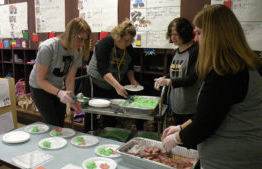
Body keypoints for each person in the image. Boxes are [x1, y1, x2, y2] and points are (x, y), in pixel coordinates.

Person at [161, 4, 262, 169]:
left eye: (199, 33)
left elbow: (204, 123)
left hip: (233, 159)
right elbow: (211, 111)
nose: (196, 39)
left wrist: (177, 138)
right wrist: (181, 127)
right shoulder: (245, 63)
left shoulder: (227, 72)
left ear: (214, 35)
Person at [29, 18, 91, 127]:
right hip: (40, 88)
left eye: (85, 40)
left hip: (58, 86)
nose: (82, 44)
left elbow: (70, 78)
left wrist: (72, 100)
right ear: (71, 34)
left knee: (60, 122)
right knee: (52, 123)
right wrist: (60, 93)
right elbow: (40, 80)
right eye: (80, 39)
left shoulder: (77, 51)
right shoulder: (47, 48)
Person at [83, 19, 140, 132]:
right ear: (118, 36)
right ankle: (88, 137)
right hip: (94, 83)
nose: (128, 44)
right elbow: (102, 69)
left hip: (112, 85)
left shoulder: (128, 48)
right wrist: (117, 86)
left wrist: (132, 80)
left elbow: (129, 67)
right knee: (92, 114)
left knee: (110, 115)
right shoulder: (105, 44)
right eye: (126, 40)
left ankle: (108, 140)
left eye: (131, 41)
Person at [154, 17, 202, 126]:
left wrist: (170, 82)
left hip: (190, 106)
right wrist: (164, 78)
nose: (172, 38)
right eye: (171, 34)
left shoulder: (195, 51)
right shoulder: (175, 52)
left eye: (176, 34)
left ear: (184, 33)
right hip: (176, 104)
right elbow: (174, 73)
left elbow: (192, 78)